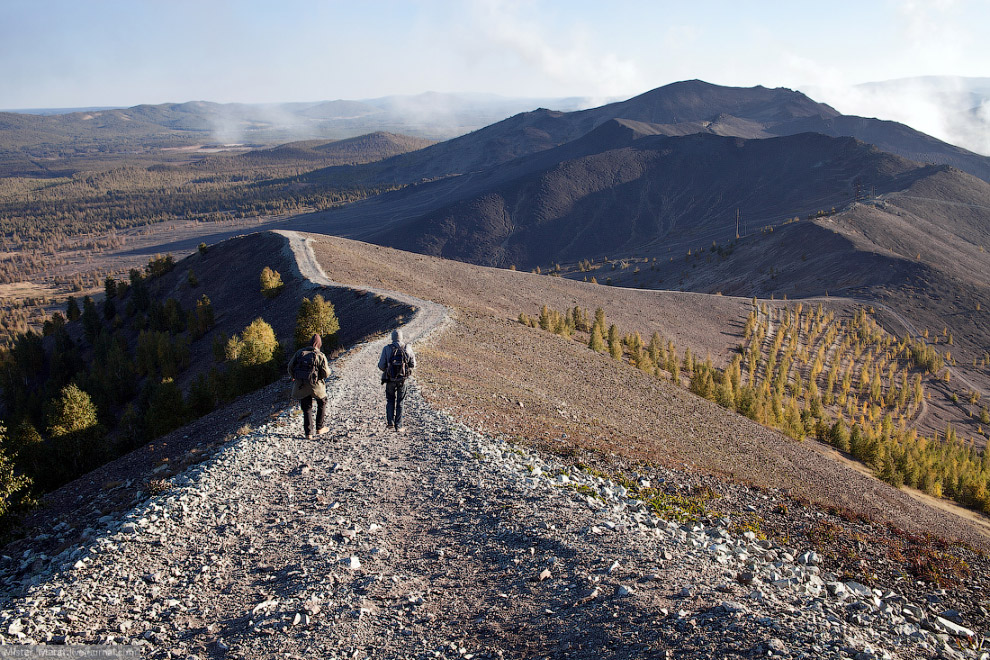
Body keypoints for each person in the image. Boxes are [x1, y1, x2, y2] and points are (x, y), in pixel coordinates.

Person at [288, 333, 332, 439]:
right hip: (316, 385)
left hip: (301, 384)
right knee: (322, 402)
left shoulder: (300, 353)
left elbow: (290, 367)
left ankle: (308, 433)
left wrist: (295, 376)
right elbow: (326, 373)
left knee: (306, 407)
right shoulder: (320, 355)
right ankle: (320, 427)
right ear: (319, 343)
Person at [378, 329, 416, 432]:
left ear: (392, 338)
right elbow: (413, 364)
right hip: (402, 379)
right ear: (401, 337)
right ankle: (399, 426)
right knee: (400, 402)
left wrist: (389, 368)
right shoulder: (407, 347)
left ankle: (390, 422)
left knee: (390, 399)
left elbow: (381, 366)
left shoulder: (386, 348)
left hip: (390, 379)